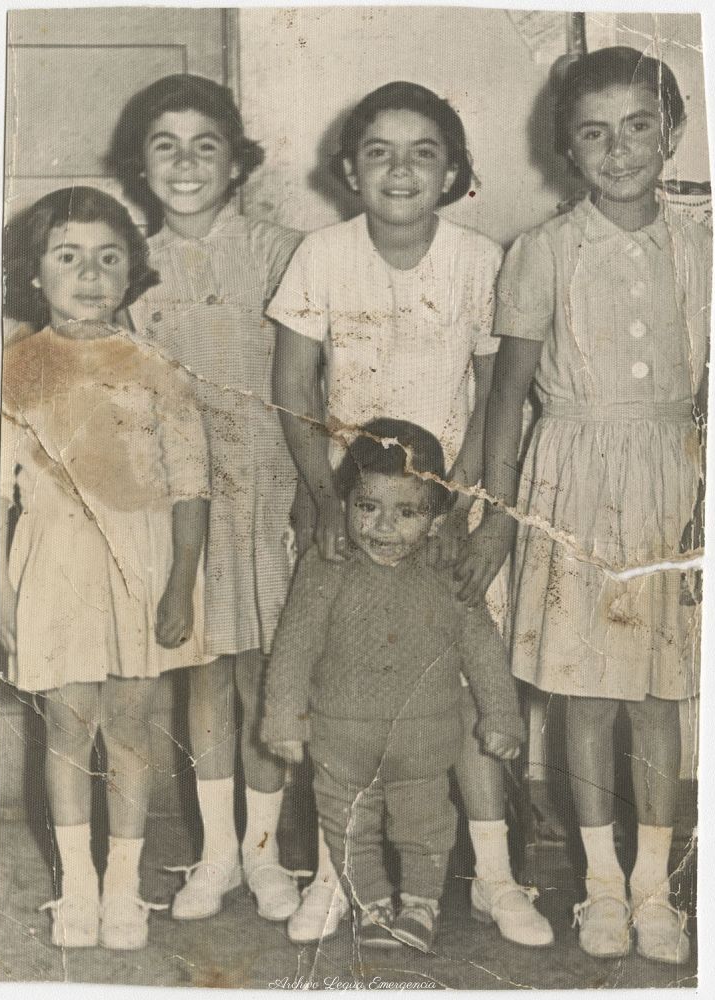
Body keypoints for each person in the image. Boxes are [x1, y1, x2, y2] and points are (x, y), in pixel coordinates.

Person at [268, 81, 552, 947]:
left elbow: (496, 396)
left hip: (445, 512)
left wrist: (469, 506)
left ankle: (494, 878)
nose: (400, 170)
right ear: (349, 168)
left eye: (423, 152)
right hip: (352, 512)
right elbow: (293, 387)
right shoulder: (321, 254)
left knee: (461, 690)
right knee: (339, 686)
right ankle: (335, 879)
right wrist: (326, 499)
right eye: (379, 152)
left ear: (454, 170)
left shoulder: (477, 260)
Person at [457, 47, 710, 965]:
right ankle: (601, 885)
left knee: (659, 692)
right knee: (588, 693)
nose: (619, 150)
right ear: (565, 148)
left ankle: (653, 889)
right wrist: (496, 515)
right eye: (594, 134)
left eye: (638, 126)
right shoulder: (543, 251)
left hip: (670, 479)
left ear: (670, 133)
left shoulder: (701, 246)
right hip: (573, 482)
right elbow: (505, 400)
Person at [107, 74, 303, 923]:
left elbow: (313, 378)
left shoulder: (280, 252)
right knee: (204, 677)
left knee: (266, 677)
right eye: (166, 145)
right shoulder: (129, 264)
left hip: (268, 490)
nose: (185, 163)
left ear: (236, 162)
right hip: (180, 505)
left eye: (205, 145)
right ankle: (218, 855)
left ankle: (265, 855)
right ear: (140, 164)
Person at [0, 187, 210, 950]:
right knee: (65, 726)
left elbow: (191, 487)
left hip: (139, 566)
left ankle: (123, 887)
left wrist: (180, 583)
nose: (89, 274)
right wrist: (0, 597)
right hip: (53, 565)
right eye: (68, 257)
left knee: (128, 726)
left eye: (108, 257)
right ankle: (78, 890)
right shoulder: (14, 369)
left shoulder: (159, 370)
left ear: (131, 272)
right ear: (35, 273)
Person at [261, 420, 526, 954]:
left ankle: (422, 904)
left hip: (424, 740)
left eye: (407, 513)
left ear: (436, 517)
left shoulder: (446, 569)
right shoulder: (326, 565)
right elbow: (294, 646)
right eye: (368, 507)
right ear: (345, 503)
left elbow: (482, 647)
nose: (384, 527)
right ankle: (371, 903)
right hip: (341, 739)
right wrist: (284, 718)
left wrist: (501, 716)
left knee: (426, 825)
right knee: (347, 824)